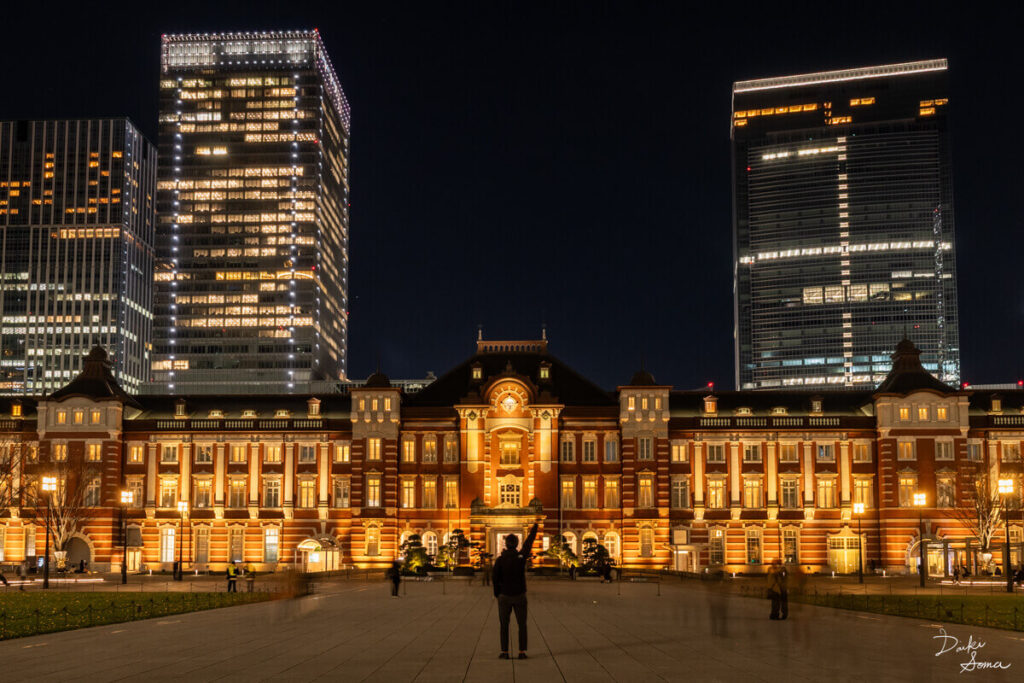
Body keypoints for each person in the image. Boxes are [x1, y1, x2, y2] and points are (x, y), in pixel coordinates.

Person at [493, 522, 539, 660]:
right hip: (519, 596)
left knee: (504, 625)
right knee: (522, 625)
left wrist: (498, 593)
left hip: (504, 596)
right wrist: (534, 529)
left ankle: (505, 652)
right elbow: (529, 543)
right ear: (517, 544)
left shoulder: (500, 560)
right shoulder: (521, 557)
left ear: (506, 544)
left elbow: (495, 578)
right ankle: (521, 652)